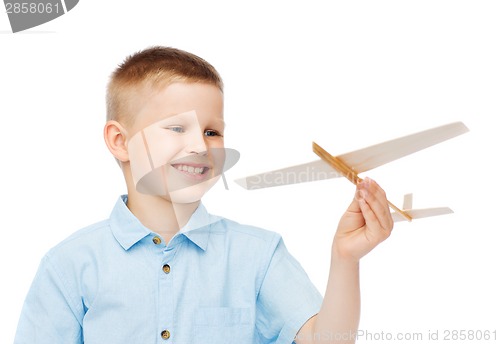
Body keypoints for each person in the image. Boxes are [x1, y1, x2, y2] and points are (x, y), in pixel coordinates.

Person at [14, 46, 393, 344]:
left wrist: (346, 258)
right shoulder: (68, 265)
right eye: (177, 128)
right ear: (120, 141)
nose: (200, 145)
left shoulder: (258, 255)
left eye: (212, 132)